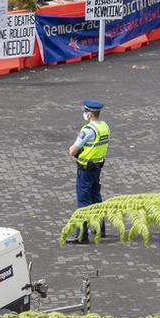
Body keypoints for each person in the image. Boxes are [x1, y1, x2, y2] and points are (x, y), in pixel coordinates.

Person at [66, 100, 110, 245]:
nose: (84, 114)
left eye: (85, 111)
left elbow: (73, 150)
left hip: (85, 170)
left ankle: (81, 235)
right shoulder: (104, 127)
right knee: (96, 198)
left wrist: (72, 150)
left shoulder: (88, 130)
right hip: (97, 168)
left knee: (83, 202)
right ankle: (99, 229)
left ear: (89, 113)